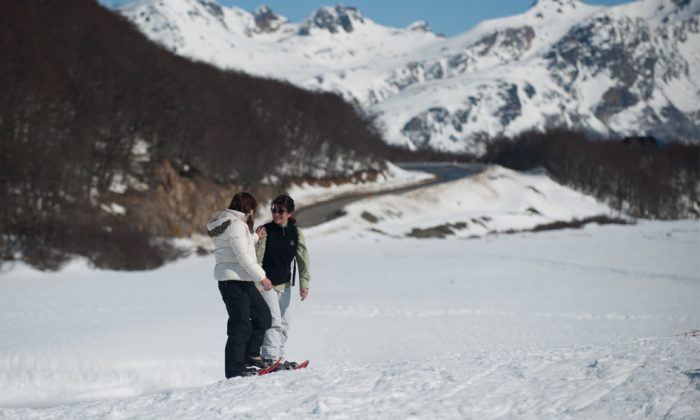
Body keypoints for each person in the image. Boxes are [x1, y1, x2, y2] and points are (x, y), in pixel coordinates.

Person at [206, 192, 273, 378]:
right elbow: (243, 256)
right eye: (252, 209)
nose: (252, 213)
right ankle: (234, 369)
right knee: (240, 325)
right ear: (247, 208)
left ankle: (251, 355)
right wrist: (262, 277)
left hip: (243, 280)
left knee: (263, 316)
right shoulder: (235, 225)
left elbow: (241, 245)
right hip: (232, 282)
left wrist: (255, 237)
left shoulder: (234, 224)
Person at [254, 194, 311, 370]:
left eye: (281, 211)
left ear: (290, 213)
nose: (276, 214)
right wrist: (258, 282)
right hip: (266, 284)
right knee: (274, 320)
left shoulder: (296, 232)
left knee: (285, 324)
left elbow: (303, 258)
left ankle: (278, 357)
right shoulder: (265, 231)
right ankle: (270, 359)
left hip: (285, 284)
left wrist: (304, 284)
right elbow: (257, 260)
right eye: (274, 209)